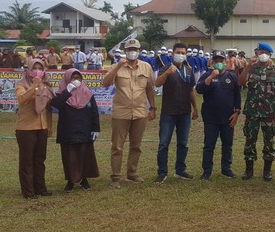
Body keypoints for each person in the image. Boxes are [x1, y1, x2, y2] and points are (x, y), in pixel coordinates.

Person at [102, 39, 156, 188]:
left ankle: (132, 173)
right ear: (125, 51)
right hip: (121, 112)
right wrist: (118, 66)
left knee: (136, 145)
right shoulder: (116, 66)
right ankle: (115, 177)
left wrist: (152, 108)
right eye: (130, 49)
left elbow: (149, 89)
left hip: (140, 112)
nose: (132, 51)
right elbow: (105, 83)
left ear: (139, 51)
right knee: (117, 146)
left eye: (135, 49)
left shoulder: (146, 67)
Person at [153, 43, 199, 184]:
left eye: (183, 52)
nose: (180, 54)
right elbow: (157, 84)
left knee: (183, 143)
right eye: (178, 52)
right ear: (172, 54)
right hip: (169, 112)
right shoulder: (165, 68)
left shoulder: (188, 70)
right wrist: (167, 73)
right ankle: (162, 172)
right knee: (164, 143)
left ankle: (180, 170)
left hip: (184, 112)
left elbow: (191, 90)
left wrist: (195, 108)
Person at [238, 42, 275, 181]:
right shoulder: (251, 68)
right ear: (256, 54)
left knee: (269, 140)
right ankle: (249, 170)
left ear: (270, 54)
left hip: (269, 111)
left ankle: (267, 171)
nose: (262, 55)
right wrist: (247, 66)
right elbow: (240, 82)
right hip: (252, 111)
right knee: (250, 140)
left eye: (265, 52)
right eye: (260, 52)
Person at [51, 69, 100, 192]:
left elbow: (94, 112)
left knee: (85, 155)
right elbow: (56, 104)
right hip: (68, 130)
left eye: (78, 78)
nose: (76, 80)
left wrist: (96, 128)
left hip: (85, 129)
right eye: (73, 78)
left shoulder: (87, 93)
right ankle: (70, 181)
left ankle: (84, 180)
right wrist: (68, 90)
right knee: (69, 157)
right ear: (67, 80)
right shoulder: (61, 94)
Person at [197, 50, 242, 180]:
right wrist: (211, 77)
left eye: (221, 61)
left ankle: (226, 169)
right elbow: (199, 90)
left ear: (226, 62)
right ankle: (207, 171)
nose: (219, 63)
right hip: (211, 118)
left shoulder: (231, 77)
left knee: (227, 145)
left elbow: (237, 95)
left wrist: (237, 112)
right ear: (212, 62)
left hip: (228, 118)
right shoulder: (206, 75)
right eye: (216, 61)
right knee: (209, 145)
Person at [15, 59, 55, 199]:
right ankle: (28, 191)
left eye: (40, 67)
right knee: (27, 160)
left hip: (42, 127)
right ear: (28, 70)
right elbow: (21, 100)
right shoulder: (22, 84)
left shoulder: (46, 86)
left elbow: (48, 108)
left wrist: (49, 125)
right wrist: (34, 86)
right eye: (34, 68)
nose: (37, 70)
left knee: (39, 159)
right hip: (26, 128)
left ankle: (40, 188)